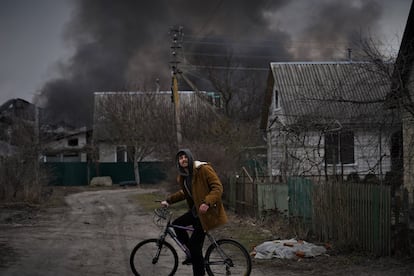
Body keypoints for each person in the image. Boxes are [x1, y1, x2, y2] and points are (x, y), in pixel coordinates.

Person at [161, 148, 228, 276]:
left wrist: (207, 202)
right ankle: (192, 255)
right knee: (176, 224)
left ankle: (197, 267)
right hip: (197, 212)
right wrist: (168, 201)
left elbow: (217, 187)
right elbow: (184, 193)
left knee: (195, 246)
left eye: (185, 157)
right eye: (180, 158)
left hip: (208, 213)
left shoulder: (203, 169)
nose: (183, 159)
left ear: (190, 158)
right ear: (178, 162)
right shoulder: (183, 177)